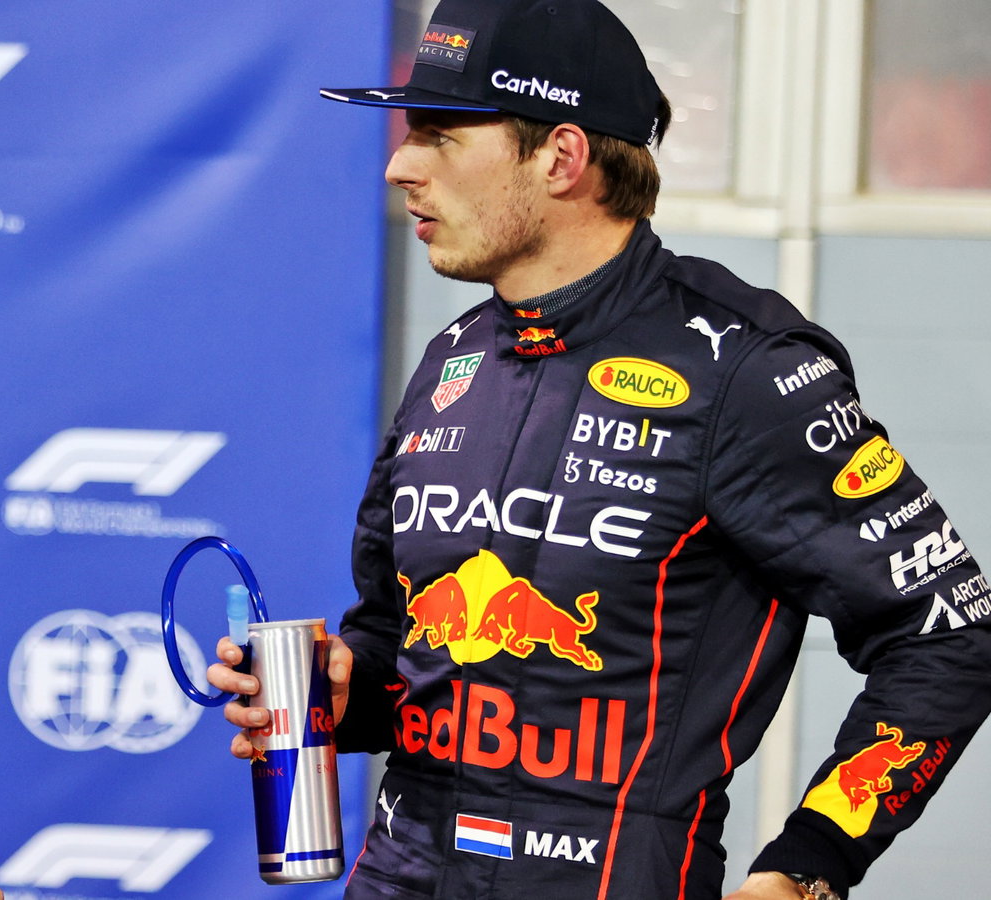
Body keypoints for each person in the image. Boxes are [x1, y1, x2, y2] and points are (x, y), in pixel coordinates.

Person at [208, 1, 990, 898]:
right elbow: (398, 637)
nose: (399, 164)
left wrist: (813, 864)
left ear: (562, 157)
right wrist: (346, 693)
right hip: (400, 873)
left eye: (439, 134)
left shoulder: (745, 369)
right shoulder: (452, 358)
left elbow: (953, 630)